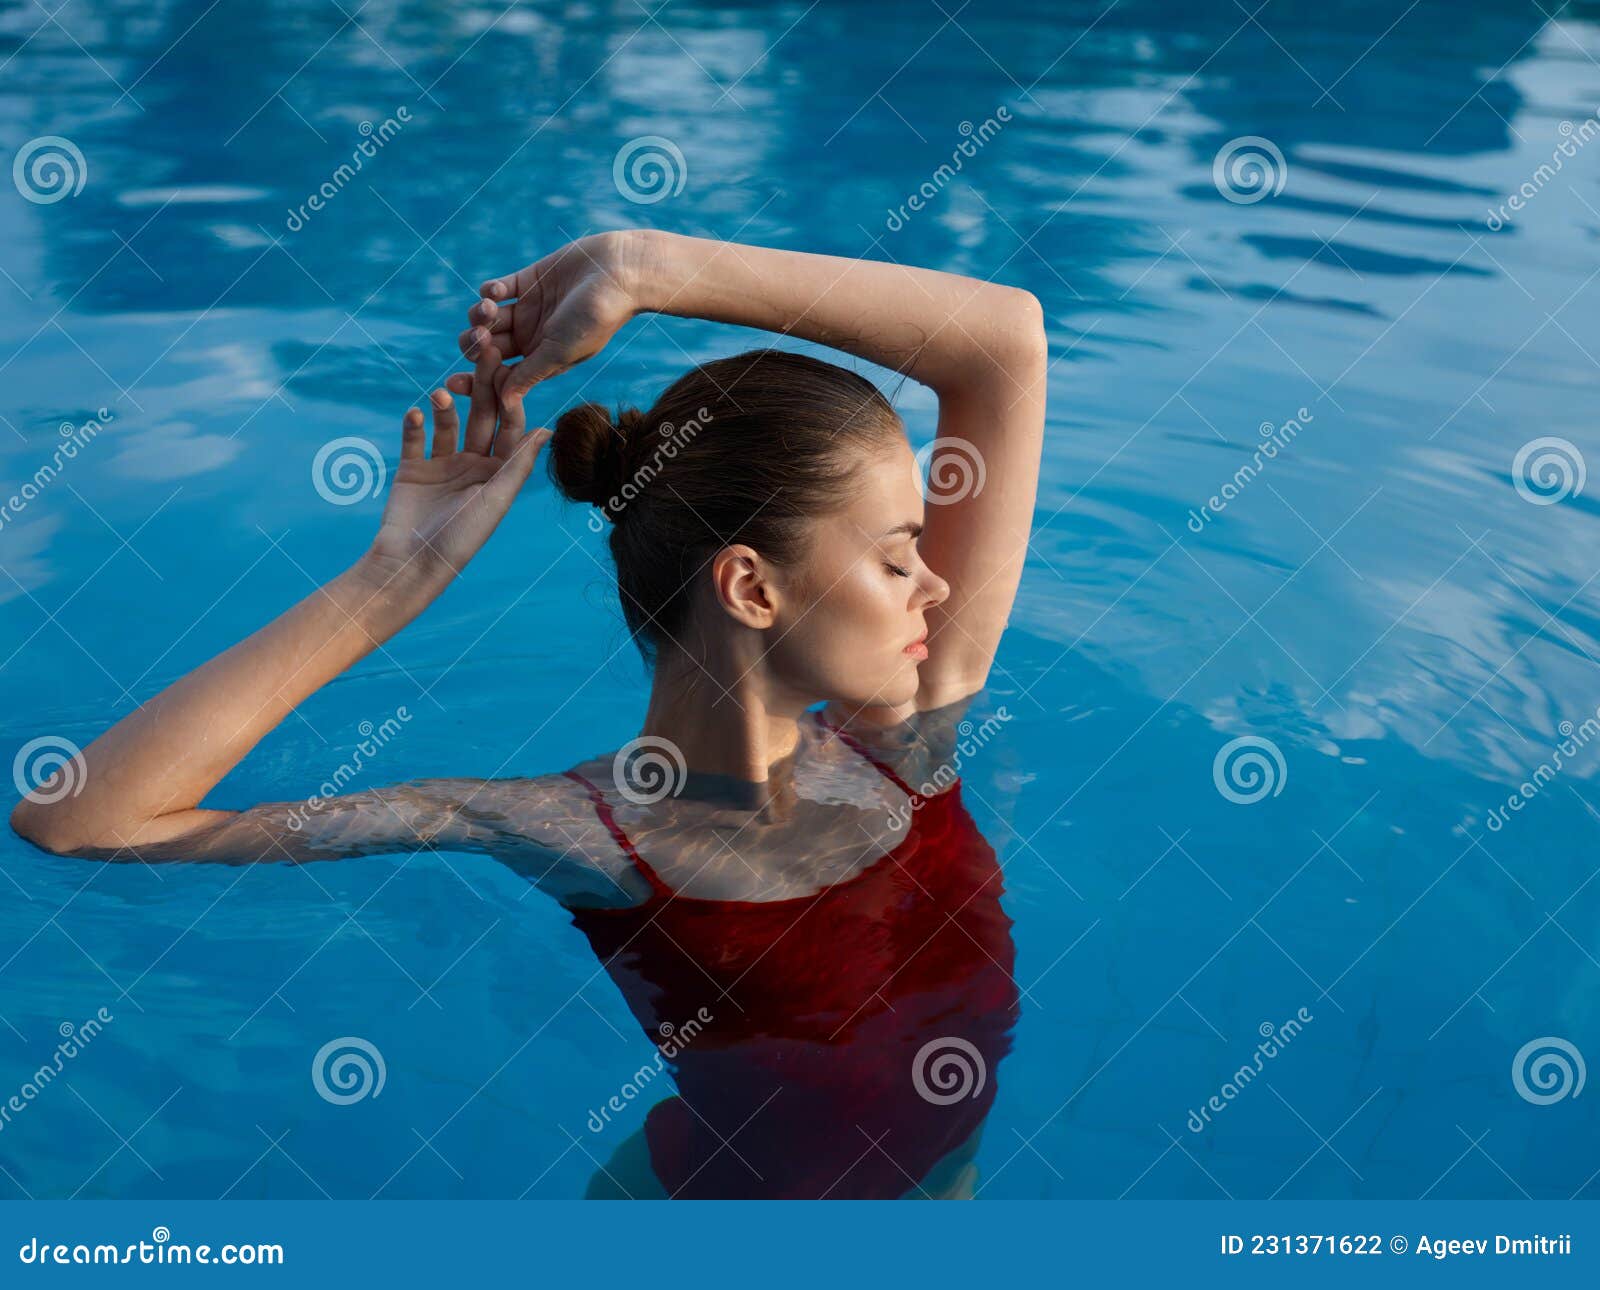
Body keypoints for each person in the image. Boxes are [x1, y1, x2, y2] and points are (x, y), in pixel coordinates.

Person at [11, 229, 1048, 1198]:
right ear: (751, 589)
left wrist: (645, 267)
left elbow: (1005, 344)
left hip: (935, 1183)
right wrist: (391, 582)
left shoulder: (907, 742)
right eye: (894, 553)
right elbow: (82, 823)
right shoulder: (572, 834)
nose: (936, 587)